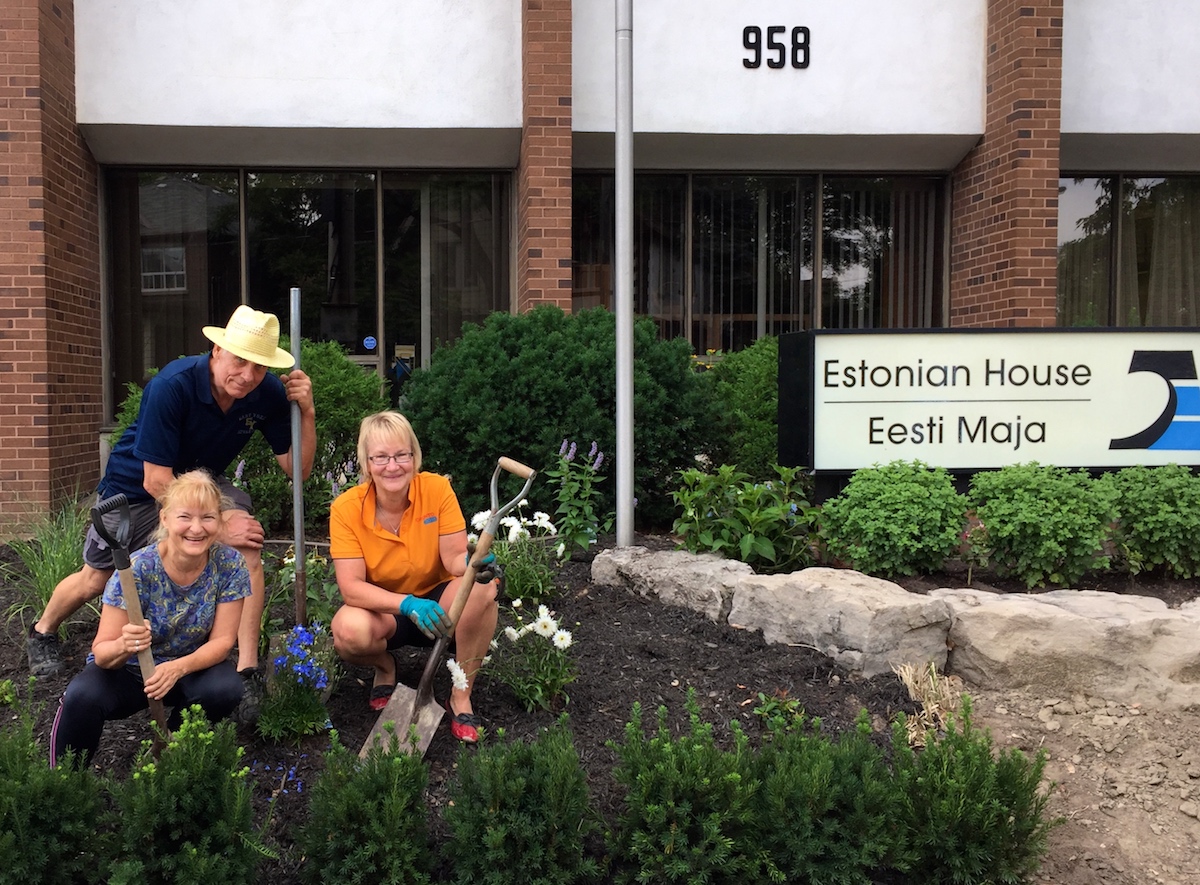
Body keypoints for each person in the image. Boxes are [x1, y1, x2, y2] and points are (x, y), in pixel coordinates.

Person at [27, 305, 316, 725]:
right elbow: (156, 480)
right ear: (217, 349)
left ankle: (246, 671)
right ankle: (43, 631)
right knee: (97, 578)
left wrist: (306, 413)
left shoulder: (267, 392)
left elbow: (298, 470)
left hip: (201, 487)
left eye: (259, 366)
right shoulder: (173, 385)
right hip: (134, 489)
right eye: (240, 360)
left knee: (246, 546)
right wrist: (216, 523)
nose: (248, 375)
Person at [49, 471, 249, 767]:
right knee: (82, 696)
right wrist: (125, 644)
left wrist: (177, 668)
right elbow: (102, 652)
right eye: (185, 517)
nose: (196, 528)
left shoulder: (229, 565)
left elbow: (222, 641)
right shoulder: (136, 570)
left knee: (225, 688)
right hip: (129, 672)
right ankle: (64, 785)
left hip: (187, 667)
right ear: (165, 518)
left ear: (219, 521)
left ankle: (169, 752)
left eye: (207, 517)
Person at [329, 410, 497, 743]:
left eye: (401, 455)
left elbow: (453, 559)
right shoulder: (346, 508)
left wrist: (474, 566)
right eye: (381, 457)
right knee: (348, 631)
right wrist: (406, 604)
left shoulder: (436, 490)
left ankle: (460, 694)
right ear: (366, 463)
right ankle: (385, 666)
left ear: (414, 456)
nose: (392, 466)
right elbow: (351, 588)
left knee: (483, 589)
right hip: (387, 609)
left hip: (439, 606)